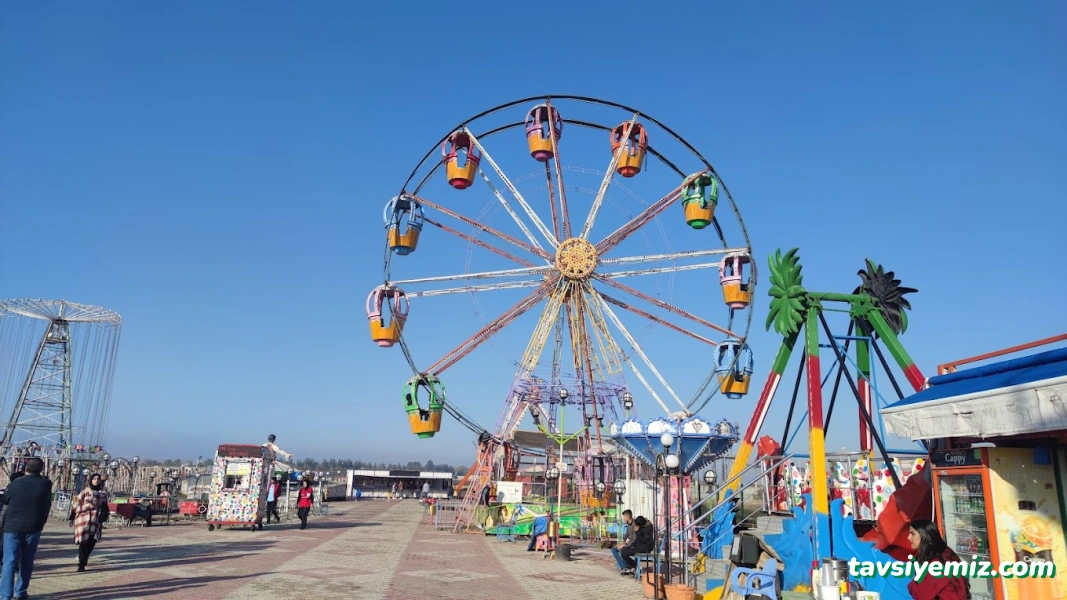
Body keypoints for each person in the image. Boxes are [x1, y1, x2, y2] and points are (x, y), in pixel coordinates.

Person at [1, 458, 51, 600]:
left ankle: (5, 595)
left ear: (25, 469)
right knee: (27, 560)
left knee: (9, 561)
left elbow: (6, 499)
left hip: (12, 526)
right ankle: (21, 591)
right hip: (33, 526)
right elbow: (47, 503)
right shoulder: (45, 484)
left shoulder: (15, 484)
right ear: (41, 470)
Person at [906, 519, 970, 600]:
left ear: (923, 535)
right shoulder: (946, 553)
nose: (908, 537)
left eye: (912, 534)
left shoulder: (936, 563)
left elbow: (920, 593)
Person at [71, 473, 110, 572]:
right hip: (84, 520)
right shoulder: (84, 492)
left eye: (98, 479)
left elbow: (105, 507)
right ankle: (81, 564)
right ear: (91, 480)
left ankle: (84, 558)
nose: (96, 480)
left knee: (92, 542)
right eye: (94, 479)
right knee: (83, 542)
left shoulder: (103, 494)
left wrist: (104, 515)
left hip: (96, 521)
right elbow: (75, 506)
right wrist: (87, 506)